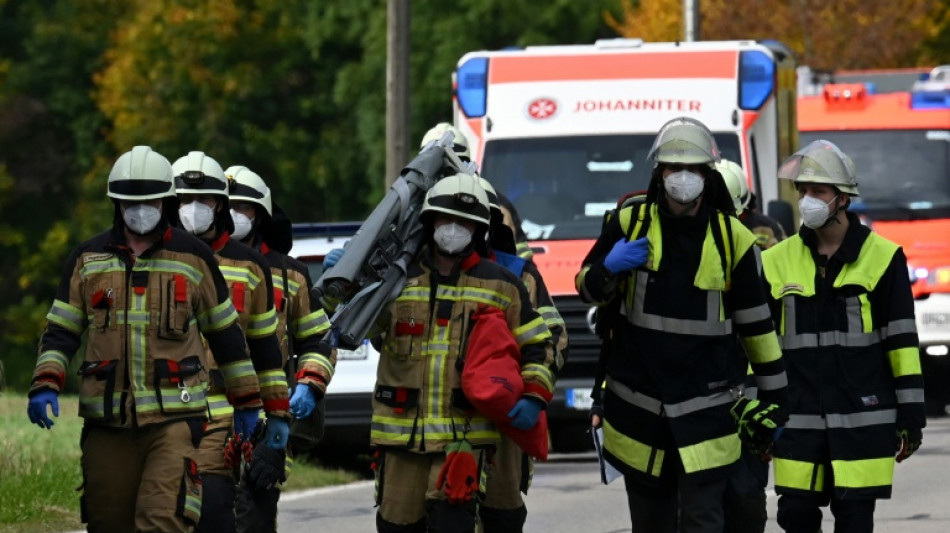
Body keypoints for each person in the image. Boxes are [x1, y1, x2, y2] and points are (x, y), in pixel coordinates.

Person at [26, 146, 263, 532]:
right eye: (131, 203)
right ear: (117, 204)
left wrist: (247, 401)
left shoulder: (193, 257)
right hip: (107, 423)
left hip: (175, 419)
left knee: (161, 521)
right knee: (108, 522)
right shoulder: (88, 259)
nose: (141, 211)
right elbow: (62, 330)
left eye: (150, 201)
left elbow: (226, 336)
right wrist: (46, 382)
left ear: (164, 201)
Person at [575, 117, 789, 532]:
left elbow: (758, 330)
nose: (683, 178)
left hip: (707, 411)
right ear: (660, 173)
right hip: (639, 409)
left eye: (693, 169)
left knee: (702, 520)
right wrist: (608, 268)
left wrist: (776, 403)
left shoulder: (733, 240)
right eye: (675, 168)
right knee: (651, 523)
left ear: (708, 176)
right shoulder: (629, 222)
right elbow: (586, 287)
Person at [368, 172, 556, 533]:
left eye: (464, 223)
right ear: (429, 222)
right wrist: (351, 285)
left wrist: (533, 394)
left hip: (466, 440)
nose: (452, 229)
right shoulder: (397, 282)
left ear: (478, 230)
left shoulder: (503, 285)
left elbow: (540, 346)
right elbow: (365, 332)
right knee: (395, 527)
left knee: (454, 524)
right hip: (401, 437)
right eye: (445, 220)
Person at [761, 140, 925, 532]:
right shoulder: (774, 260)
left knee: (854, 520)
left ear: (842, 199)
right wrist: (759, 413)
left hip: (863, 418)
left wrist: (911, 416)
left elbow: (901, 341)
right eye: (802, 191)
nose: (807, 200)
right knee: (794, 516)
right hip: (798, 419)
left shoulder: (883, 257)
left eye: (818, 191)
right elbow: (760, 346)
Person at [172, 151, 291, 533]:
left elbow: (266, 347)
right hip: (160, 413)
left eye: (203, 200)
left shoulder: (252, 267)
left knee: (214, 510)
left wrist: (277, 414)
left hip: (225, 413)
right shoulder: (155, 259)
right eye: (184, 200)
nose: (193, 209)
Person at [226, 164, 336, 532]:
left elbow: (318, 340)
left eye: (241, 207)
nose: (232, 214)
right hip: (201, 413)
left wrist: (309, 383)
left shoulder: (291, 274)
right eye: (224, 204)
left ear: (259, 214)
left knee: (254, 512)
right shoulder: (197, 264)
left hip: (266, 420)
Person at [475, 176, 568, 533]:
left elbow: (554, 337)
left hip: (503, 420)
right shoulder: (421, 273)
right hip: (435, 425)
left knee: (501, 516)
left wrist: (532, 393)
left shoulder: (517, 274)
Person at [716, 158, 788, 533]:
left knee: (745, 499)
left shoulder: (762, 235)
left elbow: (770, 318)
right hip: (699, 392)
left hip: (750, 393)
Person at [719, 158, 787, 249]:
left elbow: (783, 258)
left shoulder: (767, 229)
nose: (731, 220)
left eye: (736, 213)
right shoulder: (698, 231)